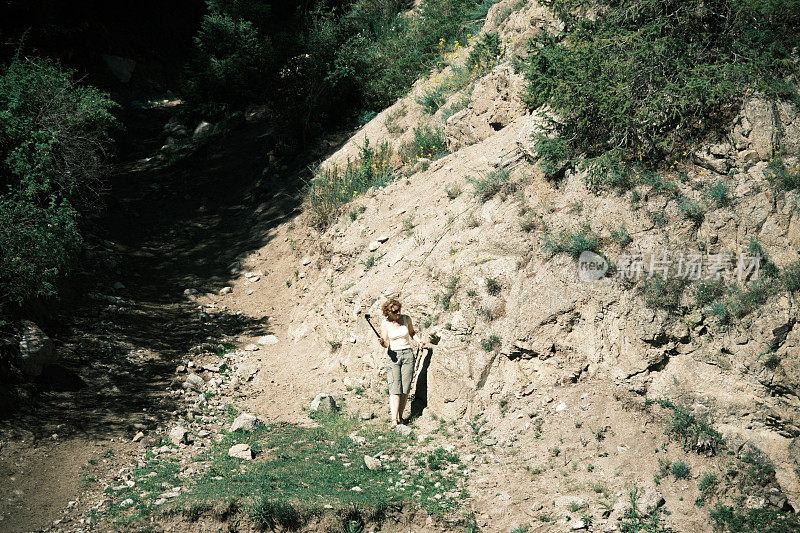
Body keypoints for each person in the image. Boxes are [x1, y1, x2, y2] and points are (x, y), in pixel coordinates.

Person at [378, 298, 425, 427]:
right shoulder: (385, 323)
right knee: (395, 388)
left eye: (399, 310)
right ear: (388, 313)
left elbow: (412, 333)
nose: (398, 313)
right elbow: (386, 343)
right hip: (393, 355)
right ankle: (394, 420)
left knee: (405, 389)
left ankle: (400, 417)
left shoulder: (406, 319)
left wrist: (419, 341)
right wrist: (383, 343)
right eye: (395, 312)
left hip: (407, 355)